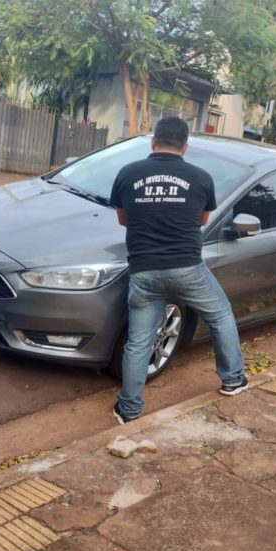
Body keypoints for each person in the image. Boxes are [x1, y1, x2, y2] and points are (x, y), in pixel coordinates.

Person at [109, 116, 248, 424]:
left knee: (139, 341)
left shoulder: (128, 174)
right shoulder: (201, 178)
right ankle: (233, 380)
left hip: (143, 271)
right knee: (221, 315)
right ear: (185, 147)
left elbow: (123, 219)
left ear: (153, 142)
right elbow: (201, 220)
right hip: (187, 268)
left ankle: (129, 409)